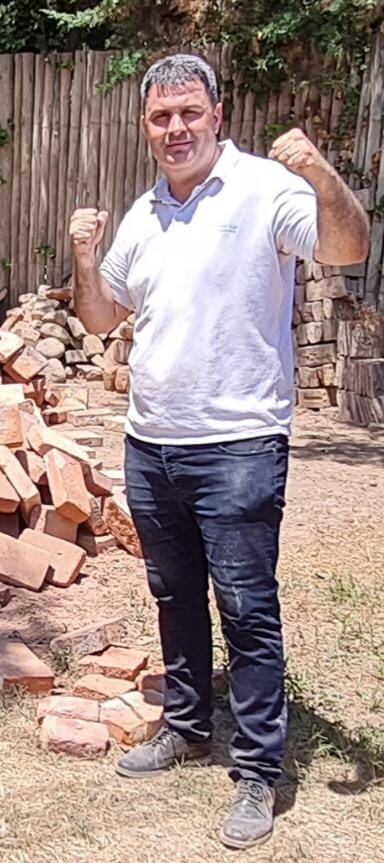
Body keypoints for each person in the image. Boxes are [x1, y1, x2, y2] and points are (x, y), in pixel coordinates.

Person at [68, 54, 369, 850]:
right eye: (161, 118)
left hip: (238, 442)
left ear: (217, 113)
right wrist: (84, 257)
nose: (176, 129)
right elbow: (101, 317)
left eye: (189, 113)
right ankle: (188, 725)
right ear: (146, 126)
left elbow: (347, 248)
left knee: (246, 607)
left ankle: (260, 770)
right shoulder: (144, 214)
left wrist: (320, 172)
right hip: (151, 439)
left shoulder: (267, 188)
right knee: (174, 596)